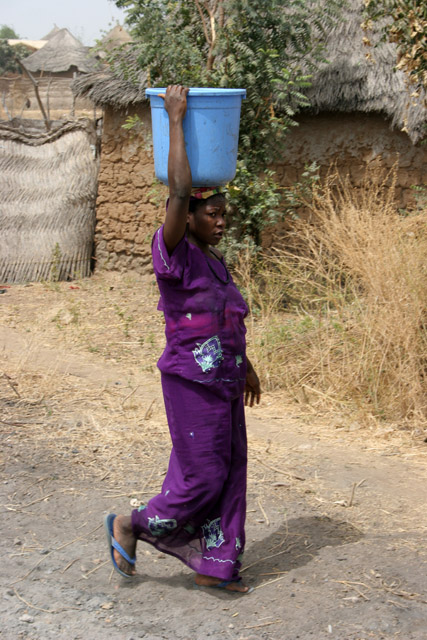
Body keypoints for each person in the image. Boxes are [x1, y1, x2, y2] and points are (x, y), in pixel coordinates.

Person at [104, 85, 261, 594]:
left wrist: (247, 366)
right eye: (210, 215)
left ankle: (216, 565)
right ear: (188, 219)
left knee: (230, 473)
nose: (219, 222)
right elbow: (176, 190)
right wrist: (176, 119)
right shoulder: (173, 253)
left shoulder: (216, 263)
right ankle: (131, 523)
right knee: (201, 478)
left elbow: (226, 319)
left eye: (223, 215)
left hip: (224, 383)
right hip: (190, 382)